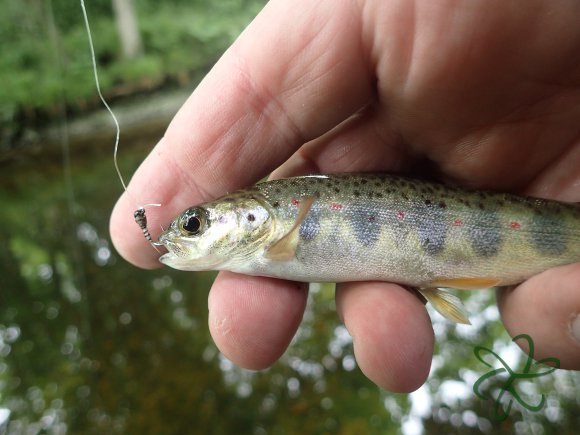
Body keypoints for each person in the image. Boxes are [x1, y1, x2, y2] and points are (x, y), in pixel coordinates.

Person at [110, 0, 580, 392]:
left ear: (252, 217)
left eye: (194, 225)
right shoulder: (271, 228)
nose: (185, 232)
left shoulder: (279, 224)